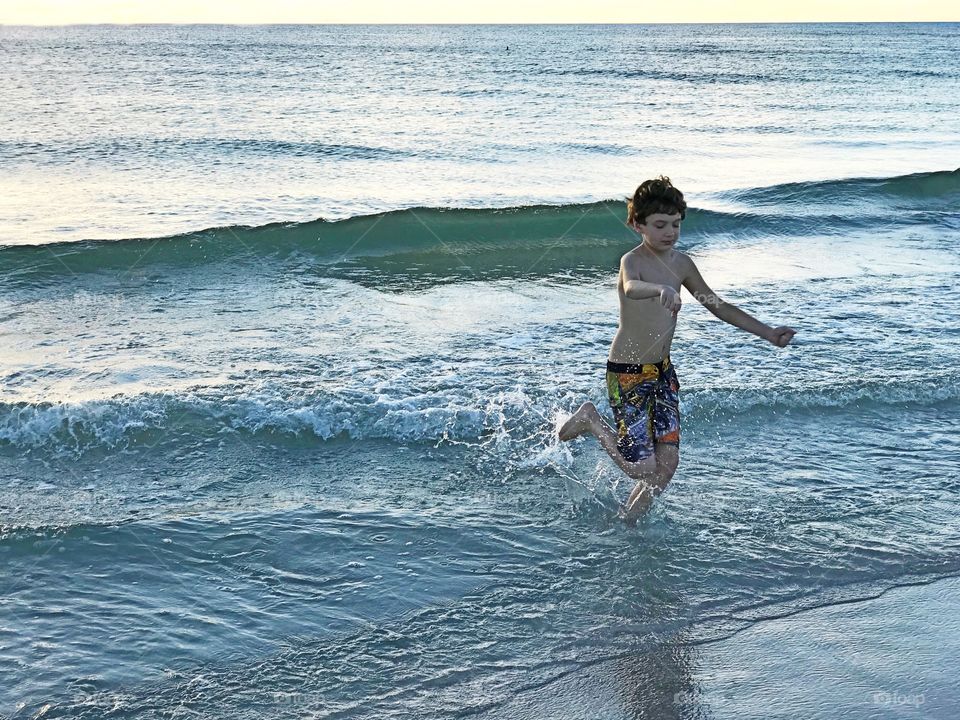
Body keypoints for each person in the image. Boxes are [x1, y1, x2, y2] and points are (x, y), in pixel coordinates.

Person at [558, 176, 796, 524]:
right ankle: (591, 419)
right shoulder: (632, 261)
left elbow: (718, 305)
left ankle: (629, 520)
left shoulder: (682, 264)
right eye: (659, 225)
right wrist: (660, 290)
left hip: (663, 373)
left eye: (675, 224)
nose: (669, 232)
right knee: (641, 467)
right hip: (628, 373)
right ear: (637, 224)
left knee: (666, 466)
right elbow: (632, 286)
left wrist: (768, 333)